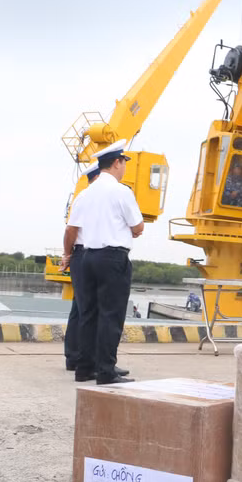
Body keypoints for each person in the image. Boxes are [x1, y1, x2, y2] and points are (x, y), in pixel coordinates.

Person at [65, 139, 143, 384]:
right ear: (117, 163)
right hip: (113, 257)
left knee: (89, 315)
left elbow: (72, 227)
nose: (124, 168)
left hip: (87, 257)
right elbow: (138, 227)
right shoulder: (121, 191)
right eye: (124, 163)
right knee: (111, 316)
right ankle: (106, 371)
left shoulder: (85, 194)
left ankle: (85, 369)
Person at [61, 162, 101, 371]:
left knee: (80, 308)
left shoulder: (84, 197)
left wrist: (68, 255)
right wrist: (68, 254)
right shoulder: (90, 198)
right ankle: (84, 359)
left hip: (81, 254)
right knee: (88, 310)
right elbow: (71, 230)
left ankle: (74, 356)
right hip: (87, 253)